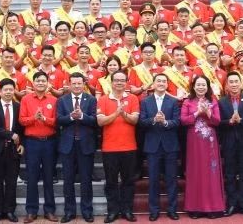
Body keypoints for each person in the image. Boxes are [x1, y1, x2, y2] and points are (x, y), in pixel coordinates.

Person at [97, 70, 139, 223]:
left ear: (126, 82)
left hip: (129, 147)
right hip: (110, 148)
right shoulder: (103, 99)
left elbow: (134, 120)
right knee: (111, 182)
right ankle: (113, 211)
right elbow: (101, 122)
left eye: (122, 80)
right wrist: (117, 113)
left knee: (128, 181)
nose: (119, 83)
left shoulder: (133, 98)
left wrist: (124, 115)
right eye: (116, 80)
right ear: (111, 82)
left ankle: (127, 210)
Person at [181, 76, 225, 219]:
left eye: (203, 85)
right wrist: (197, 113)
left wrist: (207, 112)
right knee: (195, 172)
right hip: (194, 141)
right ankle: (195, 208)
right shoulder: (187, 102)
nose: (201, 87)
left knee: (211, 173)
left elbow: (218, 121)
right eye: (198, 85)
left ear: (207, 87)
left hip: (210, 142)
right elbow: (184, 120)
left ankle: (213, 207)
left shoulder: (213, 101)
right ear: (193, 87)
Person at [138, 73, 180, 221]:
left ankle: (172, 209)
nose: (161, 83)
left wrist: (166, 122)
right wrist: (153, 120)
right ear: (153, 84)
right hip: (152, 146)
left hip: (170, 145)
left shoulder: (173, 102)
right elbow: (141, 122)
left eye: (164, 81)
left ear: (167, 84)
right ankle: (154, 210)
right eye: (158, 81)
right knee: (153, 180)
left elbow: (177, 122)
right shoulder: (145, 102)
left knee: (171, 179)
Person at [57, 73, 97, 223]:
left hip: (86, 145)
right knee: (68, 181)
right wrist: (70, 117)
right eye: (73, 83)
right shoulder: (62, 100)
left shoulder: (91, 99)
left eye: (79, 83)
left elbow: (94, 121)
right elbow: (58, 120)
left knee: (86, 180)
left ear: (83, 84)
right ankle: (69, 212)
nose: (76, 86)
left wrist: (81, 116)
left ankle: (87, 211)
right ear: (69, 84)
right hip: (68, 145)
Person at [19, 71, 59, 223]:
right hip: (32, 142)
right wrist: (33, 118)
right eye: (38, 81)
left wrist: (45, 119)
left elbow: (57, 121)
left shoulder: (54, 100)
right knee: (32, 177)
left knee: (49, 177)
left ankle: (49, 210)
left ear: (48, 83)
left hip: (49, 142)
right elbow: (22, 121)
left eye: (43, 81)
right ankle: (31, 211)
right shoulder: (26, 99)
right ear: (33, 83)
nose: (41, 83)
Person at [218, 72, 243, 217]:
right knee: (229, 174)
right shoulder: (221, 102)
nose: (234, 84)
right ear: (227, 84)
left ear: (241, 83)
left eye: (236, 81)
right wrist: (228, 121)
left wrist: (241, 120)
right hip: (228, 142)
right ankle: (232, 204)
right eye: (231, 82)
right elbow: (218, 122)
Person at [0, 78, 24, 223]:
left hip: (13, 151)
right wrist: (10, 134)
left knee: (11, 182)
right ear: (0, 91)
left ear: (14, 91)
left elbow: (22, 129)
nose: (8, 92)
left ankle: (10, 211)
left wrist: (22, 143)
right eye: (5, 90)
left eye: (11, 89)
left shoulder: (19, 106)